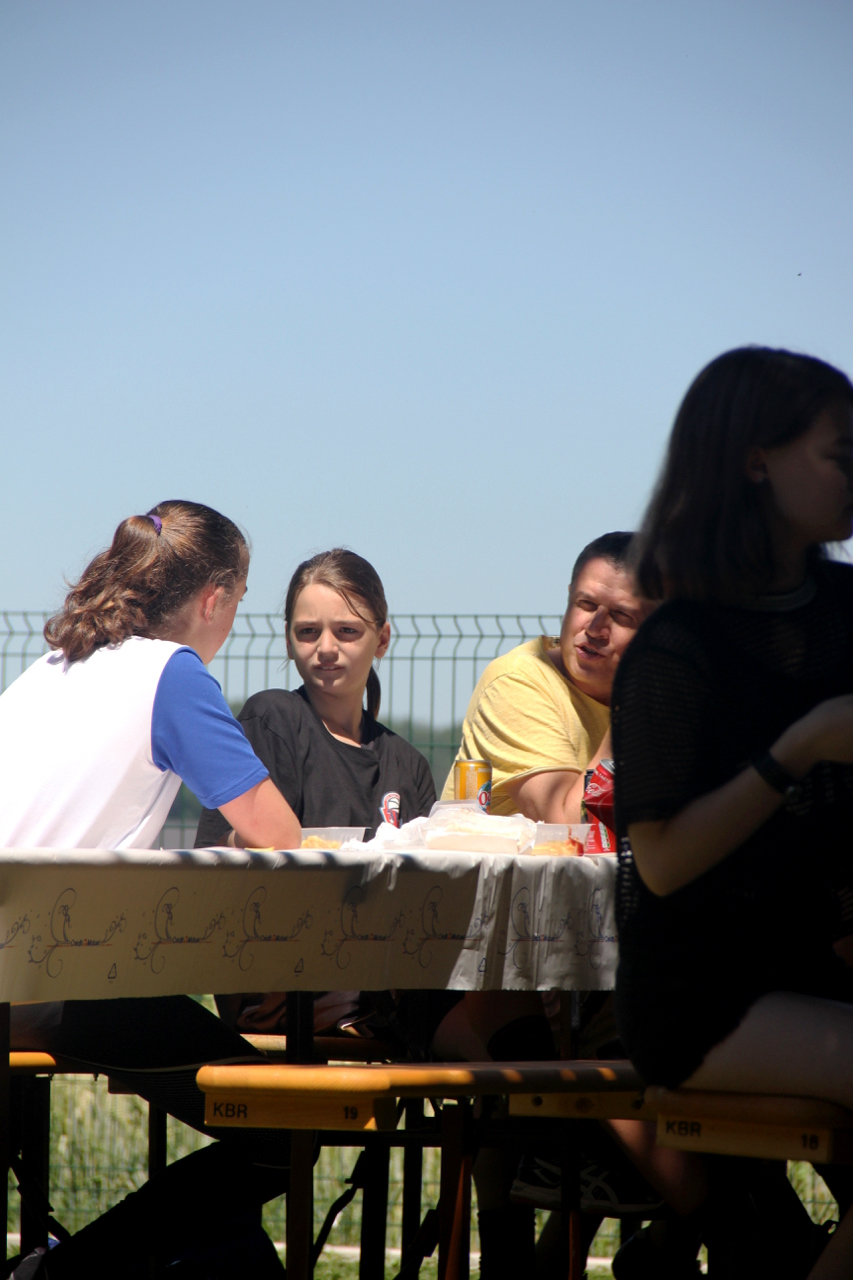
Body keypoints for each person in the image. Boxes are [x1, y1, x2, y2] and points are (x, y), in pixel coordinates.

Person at [2, 501, 302, 1279]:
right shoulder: (170, 673)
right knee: (285, 1134)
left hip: (19, 972)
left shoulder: (51, 666)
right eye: (239, 604)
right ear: (214, 598)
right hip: (54, 982)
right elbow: (279, 834)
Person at [612, 347, 853, 1279]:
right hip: (703, 997)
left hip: (820, 968)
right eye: (839, 454)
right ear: (755, 460)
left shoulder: (842, 610)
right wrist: (797, 749)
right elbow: (663, 862)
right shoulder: (678, 648)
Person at [195, 547, 437, 1040]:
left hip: (388, 982)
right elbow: (222, 861)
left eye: (346, 631)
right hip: (287, 987)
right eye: (308, 632)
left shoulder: (406, 762)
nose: (326, 647)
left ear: (382, 639)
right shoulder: (275, 719)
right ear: (288, 641)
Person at [441, 531, 645, 823]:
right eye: (586, 604)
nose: (595, 628)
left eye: (622, 615)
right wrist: (631, 712)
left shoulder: (678, 695)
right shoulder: (517, 681)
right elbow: (565, 826)